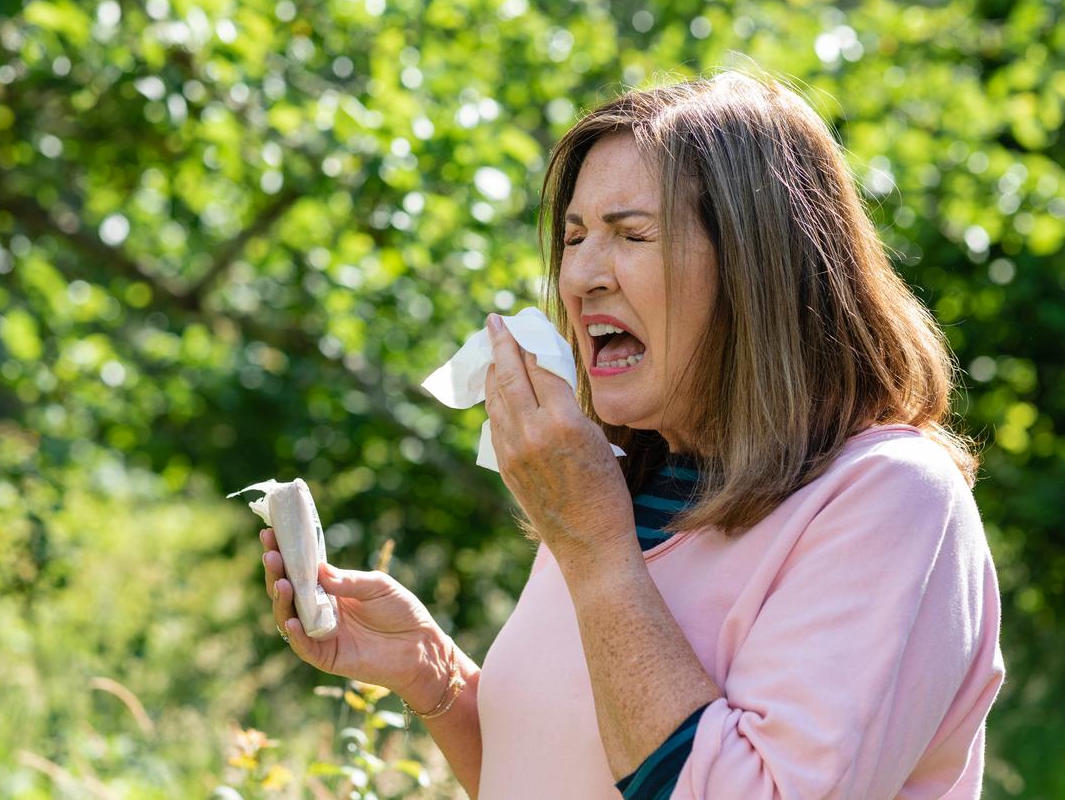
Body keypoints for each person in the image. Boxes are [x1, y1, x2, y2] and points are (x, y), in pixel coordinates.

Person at [258, 68, 1005, 799]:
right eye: (575, 237)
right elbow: (547, 773)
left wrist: (595, 551)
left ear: (755, 270)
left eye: (630, 235)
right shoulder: (616, 490)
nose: (580, 276)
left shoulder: (888, 498)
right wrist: (435, 676)